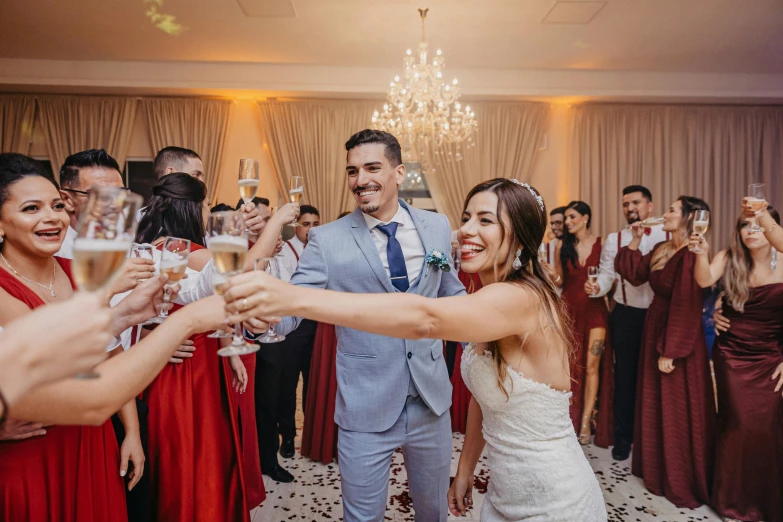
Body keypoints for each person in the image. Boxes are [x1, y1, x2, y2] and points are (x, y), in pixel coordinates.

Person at [227, 178, 607, 521]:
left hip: (553, 498)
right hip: (504, 494)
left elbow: (425, 318)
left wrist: (292, 298)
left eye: (485, 221)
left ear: (522, 237)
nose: (465, 231)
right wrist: (465, 471)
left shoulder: (519, 298)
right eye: (467, 217)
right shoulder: (490, 295)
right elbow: (484, 396)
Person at [245, 129, 467, 521]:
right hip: (366, 407)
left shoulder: (436, 227)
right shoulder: (327, 241)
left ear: (399, 173)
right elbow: (296, 306)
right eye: (352, 171)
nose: (360, 180)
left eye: (372, 168)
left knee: (434, 513)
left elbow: (452, 294)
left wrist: (488, 336)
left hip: (432, 401)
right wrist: (262, 324)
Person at [135, 173, 249, 522]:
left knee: (170, 446)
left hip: (171, 357)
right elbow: (225, 288)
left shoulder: (147, 246)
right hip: (191, 361)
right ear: (193, 209)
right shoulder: (187, 251)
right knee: (195, 448)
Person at [56, 148, 153, 520]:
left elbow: (184, 287)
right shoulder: (50, 254)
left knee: (129, 499)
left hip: (123, 392)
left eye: (120, 194)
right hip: (67, 408)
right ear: (68, 199)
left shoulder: (126, 247)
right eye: (102, 197)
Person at [615, 195, 715, 508]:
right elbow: (633, 274)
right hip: (655, 325)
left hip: (676, 332)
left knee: (676, 404)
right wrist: (633, 240)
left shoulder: (690, 255)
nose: (665, 214)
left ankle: (680, 475)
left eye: (672, 210)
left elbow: (687, 304)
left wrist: (671, 350)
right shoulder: (661, 249)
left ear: (688, 218)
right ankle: (658, 469)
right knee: (656, 400)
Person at [691, 208, 783, 522]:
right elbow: (704, 279)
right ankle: (733, 503)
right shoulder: (729, 257)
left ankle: (766, 503)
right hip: (732, 353)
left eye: (759, 224)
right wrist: (702, 254)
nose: (751, 230)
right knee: (738, 425)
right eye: (745, 224)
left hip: (770, 355)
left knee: (767, 428)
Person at [589, 185, 667, 461]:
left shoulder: (667, 234)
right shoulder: (615, 239)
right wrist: (596, 287)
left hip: (660, 317)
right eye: (625, 204)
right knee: (625, 378)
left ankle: (655, 439)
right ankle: (624, 438)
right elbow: (608, 275)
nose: (630, 208)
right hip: (625, 315)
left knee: (658, 378)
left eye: (635, 202)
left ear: (650, 205)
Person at [256, 203, 320, 476]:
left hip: (317, 323)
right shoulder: (284, 249)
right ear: (296, 225)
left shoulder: (318, 250)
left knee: (313, 381)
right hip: (290, 324)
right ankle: (288, 439)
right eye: (307, 224)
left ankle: (311, 436)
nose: (312, 229)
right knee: (287, 385)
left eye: (316, 224)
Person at [550, 201, 613, 447]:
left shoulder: (603, 242)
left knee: (591, 366)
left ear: (586, 218)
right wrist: (548, 273)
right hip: (569, 311)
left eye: (572, 217)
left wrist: (598, 287)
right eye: (566, 218)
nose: (567, 222)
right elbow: (559, 281)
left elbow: (610, 274)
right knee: (568, 367)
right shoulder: (560, 245)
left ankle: (586, 421)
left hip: (596, 311)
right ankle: (565, 419)